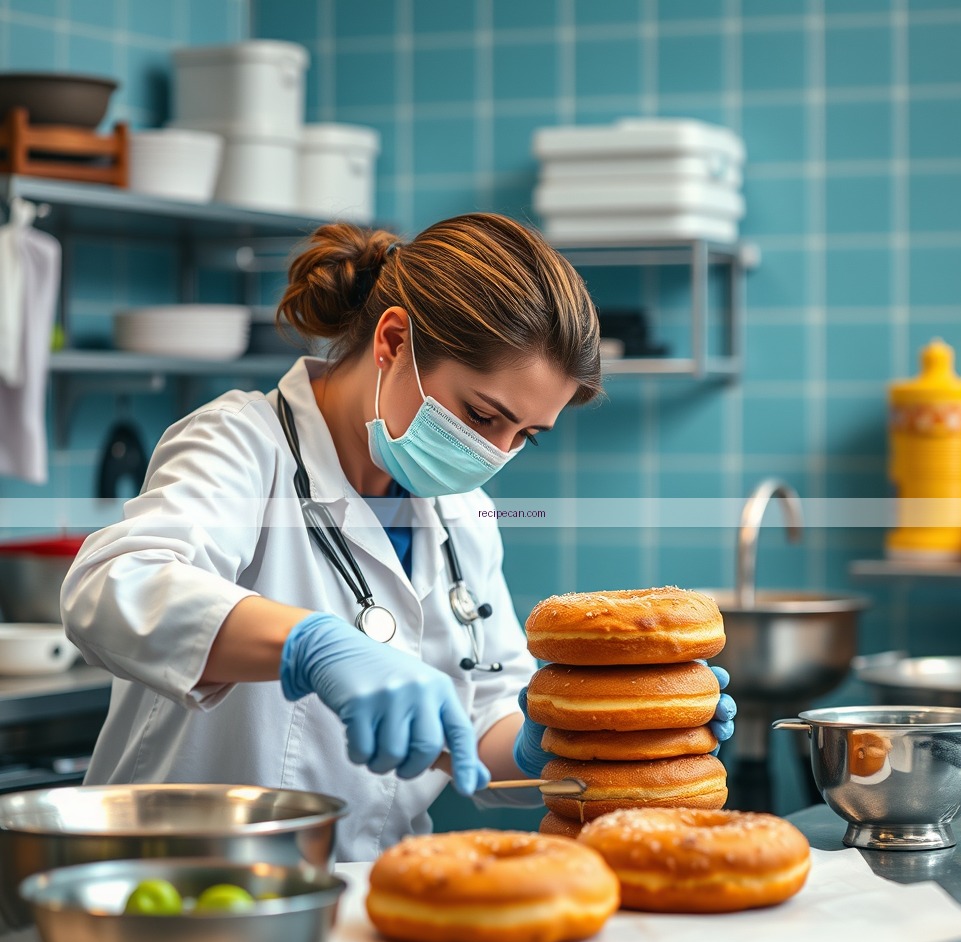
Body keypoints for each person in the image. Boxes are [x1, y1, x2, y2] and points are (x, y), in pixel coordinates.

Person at [61, 213, 736, 862]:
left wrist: (553, 737)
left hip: (366, 908)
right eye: (481, 414)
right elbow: (113, 586)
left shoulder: (462, 514)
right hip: (185, 888)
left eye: (523, 436)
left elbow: (478, 731)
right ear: (392, 342)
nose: (493, 452)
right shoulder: (242, 444)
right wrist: (309, 644)